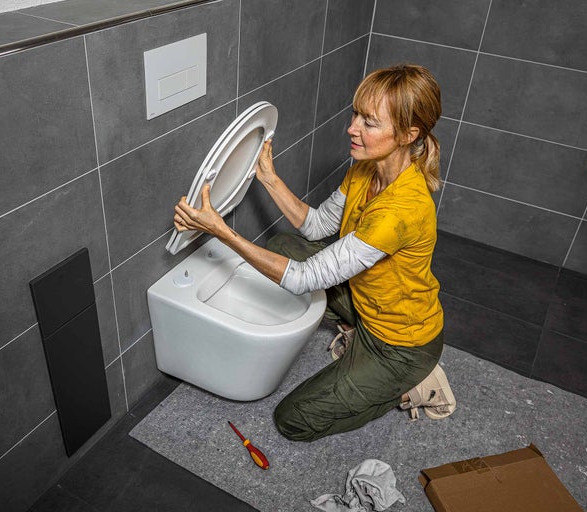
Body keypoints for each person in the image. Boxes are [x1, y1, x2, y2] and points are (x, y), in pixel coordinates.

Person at [173, 64, 455, 442]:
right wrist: (269, 177)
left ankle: (403, 387)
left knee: (293, 419)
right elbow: (318, 225)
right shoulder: (366, 169)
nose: (352, 127)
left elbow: (305, 278)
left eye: (369, 122)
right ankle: (359, 342)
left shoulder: (402, 210)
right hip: (365, 303)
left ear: (408, 134)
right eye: (356, 114)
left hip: (400, 344)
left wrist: (219, 230)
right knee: (283, 246)